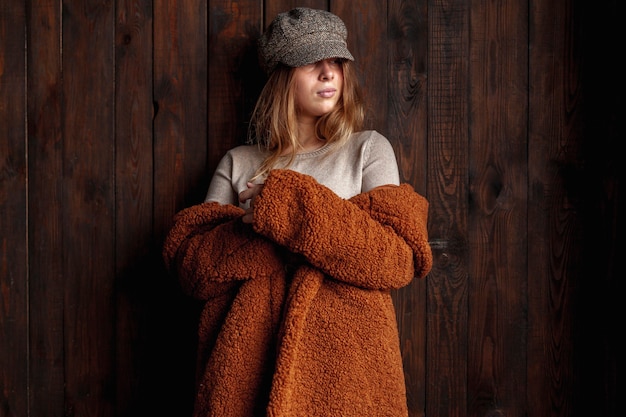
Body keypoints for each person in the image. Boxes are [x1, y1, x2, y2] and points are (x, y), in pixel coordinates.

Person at [163, 7, 433, 417]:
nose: (329, 74)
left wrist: (286, 208)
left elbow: (395, 259)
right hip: (247, 376)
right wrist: (264, 231)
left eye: (337, 62)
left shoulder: (368, 150)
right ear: (280, 76)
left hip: (348, 376)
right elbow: (194, 269)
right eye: (311, 62)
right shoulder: (237, 162)